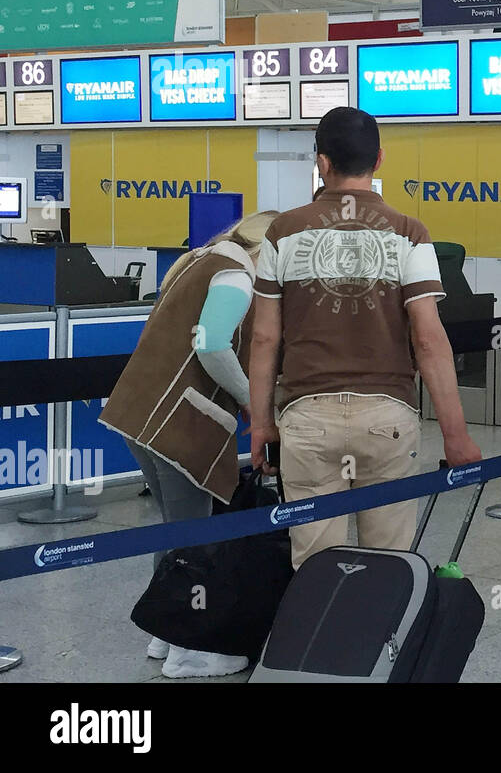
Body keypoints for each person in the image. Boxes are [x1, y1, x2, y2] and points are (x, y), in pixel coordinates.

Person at [248, 107, 481, 571]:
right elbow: (429, 340)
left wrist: (260, 425)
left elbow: (263, 338)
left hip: (307, 418)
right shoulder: (410, 233)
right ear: (380, 160)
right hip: (388, 418)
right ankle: (384, 645)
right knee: (389, 568)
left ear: (322, 163)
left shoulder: (282, 232)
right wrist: (456, 437)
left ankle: (319, 642)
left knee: (315, 569)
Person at [100, 210, 278, 679]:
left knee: (174, 531)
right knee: (195, 538)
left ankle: (165, 630)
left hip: (140, 413)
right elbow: (213, 343)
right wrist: (253, 404)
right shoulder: (237, 274)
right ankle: (190, 650)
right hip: (183, 421)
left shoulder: (199, 259)